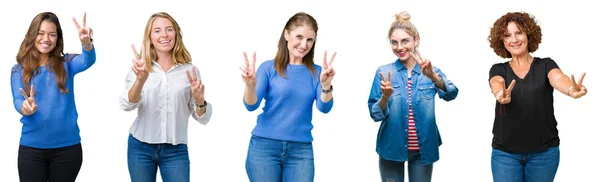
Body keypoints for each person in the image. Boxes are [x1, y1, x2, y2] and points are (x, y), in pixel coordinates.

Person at [487, 12, 587, 182]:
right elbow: (496, 82)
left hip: (544, 154)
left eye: (519, 32)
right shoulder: (498, 69)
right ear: (502, 41)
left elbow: (557, 77)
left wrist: (571, 89)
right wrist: (499, 94)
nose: (514, 39)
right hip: (505, 155)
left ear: (528, 34)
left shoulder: (545, 64)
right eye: (507, 35)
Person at [240, 12, 336, 182]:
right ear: (286, 34)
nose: (304, 44)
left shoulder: (318, 72)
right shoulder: (269, 68)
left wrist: (326, 86)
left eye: (310, 40)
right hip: (264, 148)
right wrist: (250, 86)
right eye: (299, 36)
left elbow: (324, 108)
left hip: (300, 151)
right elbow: (251, 105)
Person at [119, 12, 213, 182]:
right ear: (150, 37)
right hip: (140, 147)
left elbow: (203, 118)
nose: (164, 35)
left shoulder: (189, 71)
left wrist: (200, 101)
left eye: (169, 29)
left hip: (175, 151)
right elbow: (126, 105)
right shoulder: (140, 67)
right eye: (157, 31)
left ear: (176, 34)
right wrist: (140, 80)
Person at [367, 11, 459, 182]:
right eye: (394, 42)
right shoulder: (383, 72)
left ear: (416, 40)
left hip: (422, 150)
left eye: (405, 41)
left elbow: (452, 94)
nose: (399, 47)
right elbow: (375, 114)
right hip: (391, 148)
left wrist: (433, 77)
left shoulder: (431, 71)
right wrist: (385, 97)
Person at [10, 12, 96, 182]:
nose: (46, 39)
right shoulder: (18, 70)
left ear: (57, 38)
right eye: (41, 33)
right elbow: (17, 100)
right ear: (32, 35)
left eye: (52, 34)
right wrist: (25, 108)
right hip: (31, 150)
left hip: (67, 150)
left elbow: (87, 61)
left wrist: (86, 44)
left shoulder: (67, 63)